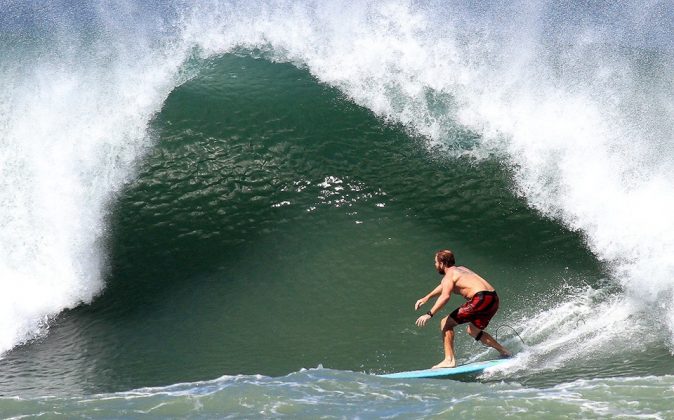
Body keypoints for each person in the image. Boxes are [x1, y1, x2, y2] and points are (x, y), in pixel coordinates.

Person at [414, 249, 511, 368]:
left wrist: (429, 314)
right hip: (493, 298)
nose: (435, 265)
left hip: (479, 299)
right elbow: (444, 286)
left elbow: (445, 296)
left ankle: (449, 360)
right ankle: (505, 352)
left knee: (445, 323)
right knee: (473, 331)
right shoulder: (461, 269)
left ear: (442, 263)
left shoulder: (449, 275)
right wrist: (427, 297)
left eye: (436, 262)